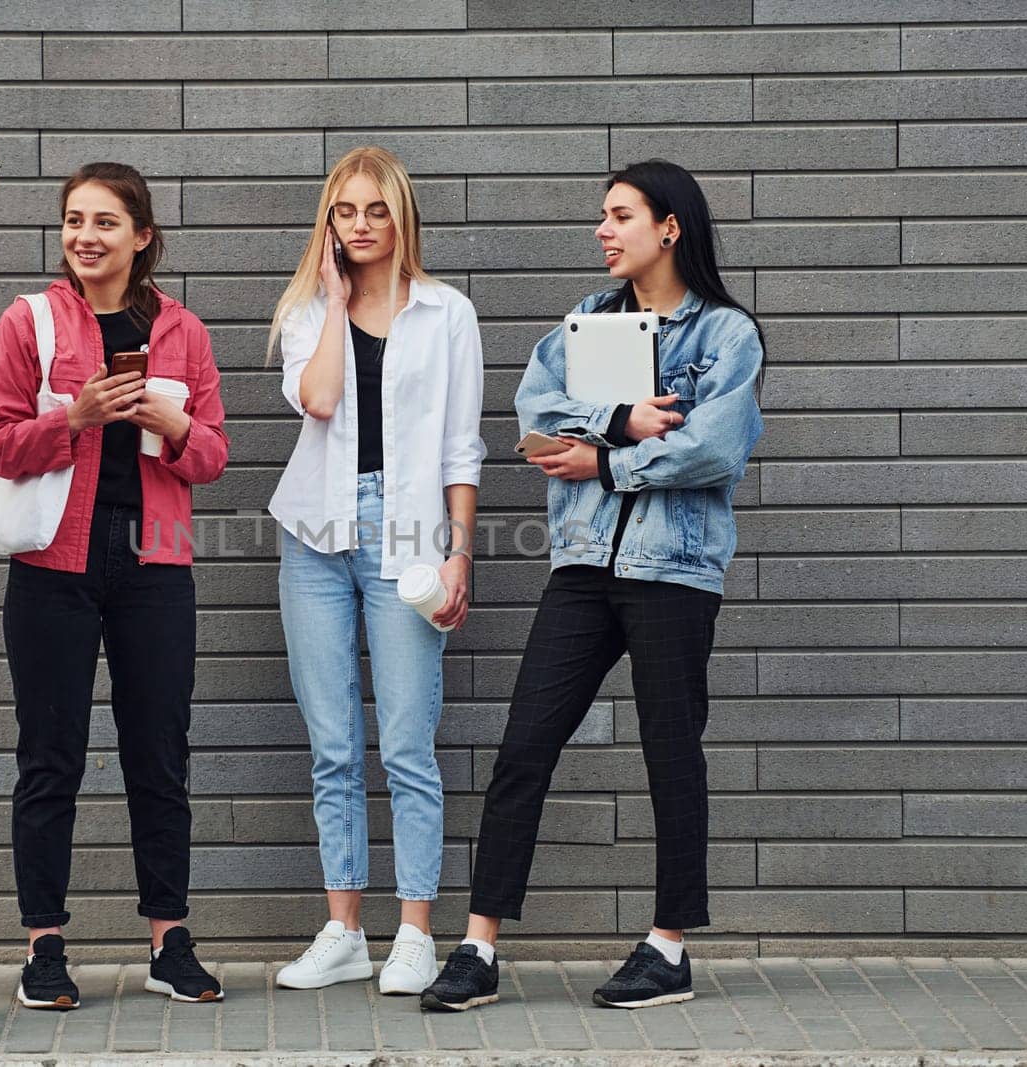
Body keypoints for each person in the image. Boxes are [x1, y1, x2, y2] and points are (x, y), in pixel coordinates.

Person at [421, 160, 764, 1013]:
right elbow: (535, 417)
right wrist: (617, 419)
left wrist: (605, 460)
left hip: (672, 568)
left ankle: (669, 945)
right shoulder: (588, 322)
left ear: (670, 226)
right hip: (581, 563)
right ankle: (478, 946)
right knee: (524, 745)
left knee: (670, 750)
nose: (604, 230)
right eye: (602, 217)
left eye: (621, 215)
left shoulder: (723, 335)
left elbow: (717, 447)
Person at [0, 162, 230, 1010]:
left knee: (159, 755)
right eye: (75, 220)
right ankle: (43, 946)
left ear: (142, 236)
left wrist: (176, 424)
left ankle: (169, 939)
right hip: (54, 563)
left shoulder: (184, 332)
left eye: (106, 222)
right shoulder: (31, 321)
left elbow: (214, 457)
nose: (87, 236)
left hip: (154, 561)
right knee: (49, 758)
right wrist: (74, 418)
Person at [267, 146, 486, 997]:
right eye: (345, 211)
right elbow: (319, 399)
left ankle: (416, 931)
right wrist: (328, 297)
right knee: (332, 745)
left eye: (375, 211)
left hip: (411, 538)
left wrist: (460, 550)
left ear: (402, 218)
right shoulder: (303, 312)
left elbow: (463, 447)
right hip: (314, 536)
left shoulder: (447, 314)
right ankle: (344, 929)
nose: (360, 226)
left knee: (405, 742)